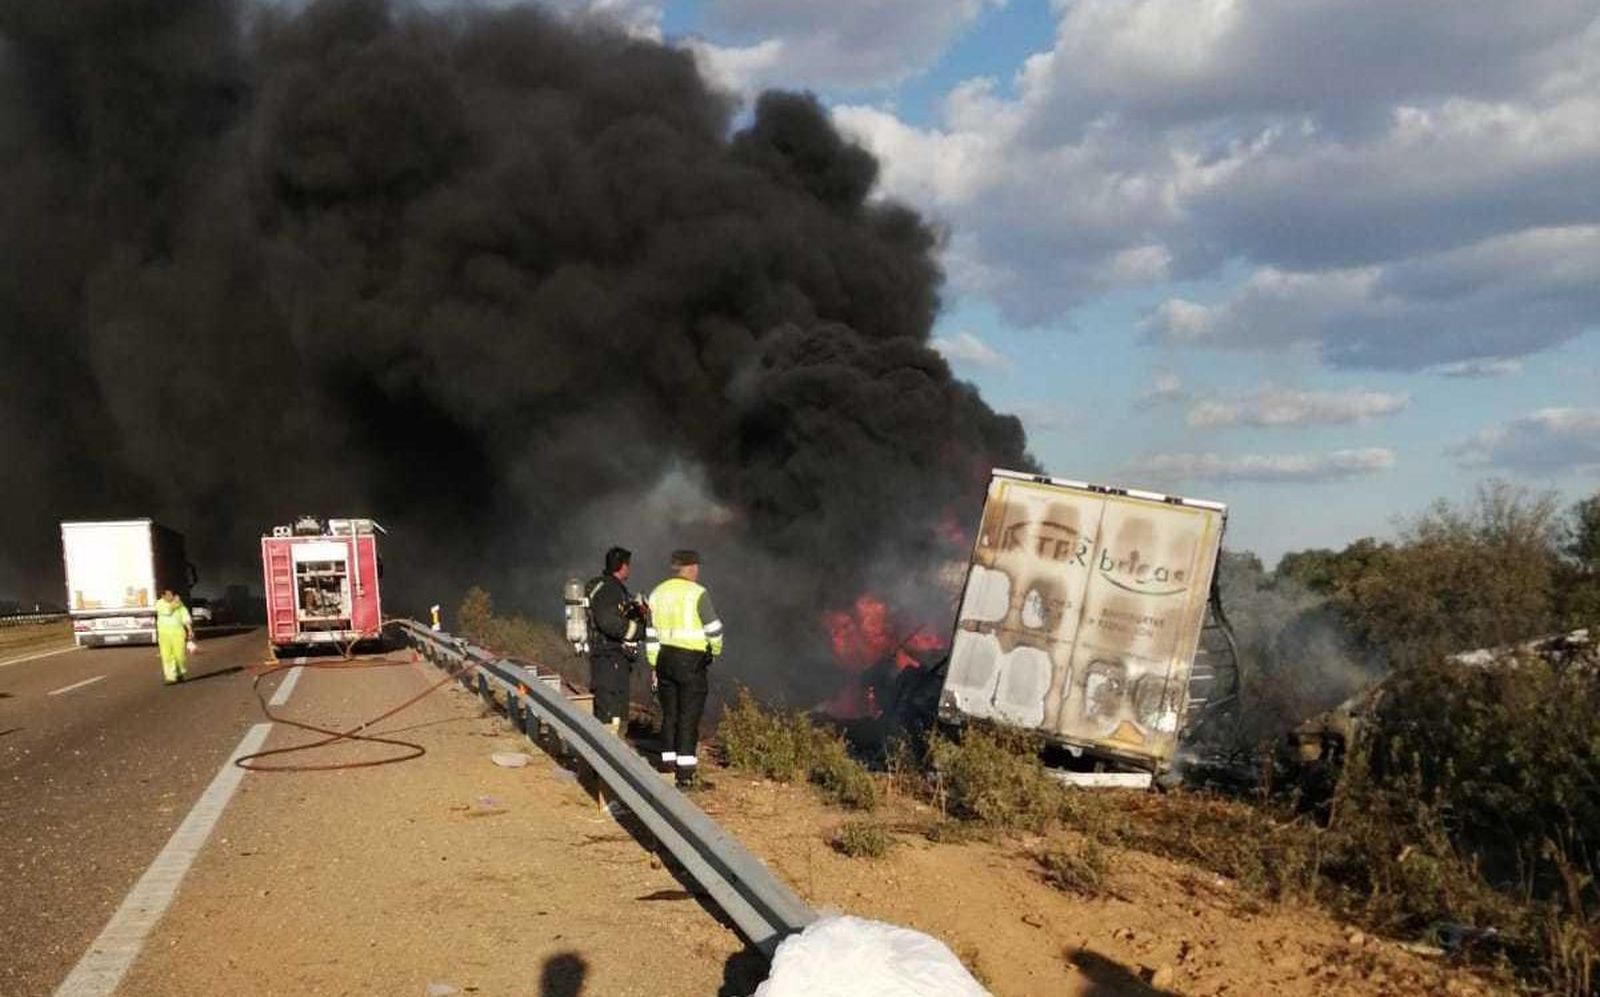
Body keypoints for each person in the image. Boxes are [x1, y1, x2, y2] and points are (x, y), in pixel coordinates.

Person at [645, 549, 723, 787]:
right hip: (691, 661)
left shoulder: (657, 593)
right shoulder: (697, 593)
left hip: (664, 659)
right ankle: (686, 775)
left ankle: (667, 764)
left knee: (670, 714)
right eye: (696, 567)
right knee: (689, 716)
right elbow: (714, 629)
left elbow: (650, 633)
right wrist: (714, 651)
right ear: (689, 568)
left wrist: (653, 662)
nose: (697, 571)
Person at [586, 546, 647, 734]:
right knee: (610, 707)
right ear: (622, 567)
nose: (629, 569)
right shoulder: (609, 589)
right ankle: (609, 748)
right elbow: (609, 622)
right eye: (628, 565)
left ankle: (613, 744)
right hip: (609, 656)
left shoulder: (609, 588)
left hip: (612, 658)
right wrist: (639, 631)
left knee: (615, 706)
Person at [155, 588, 194, 685]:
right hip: (164, 634)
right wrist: (175, 604)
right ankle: (170, 677)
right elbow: (167, 611)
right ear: (163, 596)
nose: (170, 597)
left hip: (178, 633)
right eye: (168, 595)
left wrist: (189, 629)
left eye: (171, 595)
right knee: (167, 656)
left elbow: (185, 616)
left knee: (180, 655)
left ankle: (180, 672)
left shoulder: (179, 604)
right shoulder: (159, 604)